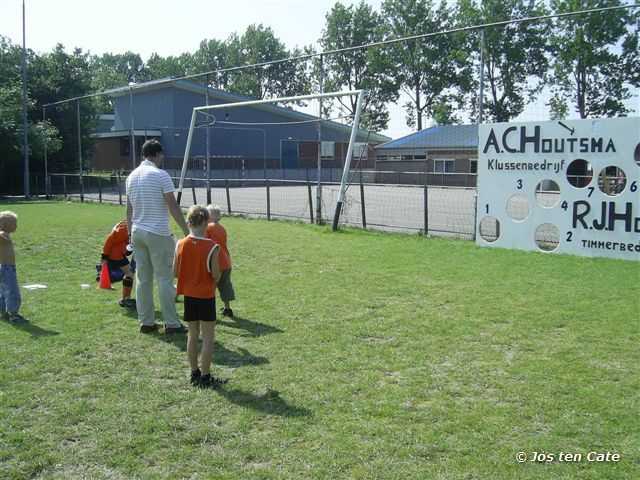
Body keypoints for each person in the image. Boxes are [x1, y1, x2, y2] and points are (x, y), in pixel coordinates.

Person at [126, 139, 190, 334]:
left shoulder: (131, 176)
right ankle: (172, 323)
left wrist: (130, 234)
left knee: (143, 278)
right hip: (158, 232)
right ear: (157, 154)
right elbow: (172, 205)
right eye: (161, 155)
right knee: (164, 279)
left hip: (137, 231)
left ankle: (146, 321)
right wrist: (187, 231)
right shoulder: (160, 175)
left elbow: (129, 209)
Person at [173, 205, 228, 388]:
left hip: (189, 296)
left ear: (188, 221)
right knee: (208, 337)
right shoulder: (212, 246)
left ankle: (194, 373)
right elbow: (215, 274)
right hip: (205, 296)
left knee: (192, 334)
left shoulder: (180, 244)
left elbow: (175, 272)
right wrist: (217, 277)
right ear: (206, 222)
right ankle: (205, 377)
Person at [205, 204, 236, 318]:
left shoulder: (208, 227)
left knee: (210, 287)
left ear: (209, 216)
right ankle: (228, 308)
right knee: (225, 285)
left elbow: (204, 241)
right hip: (226, 262)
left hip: (216, 263)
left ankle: (209, 310)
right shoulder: (222, 229)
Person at [0, 211, 28, 323]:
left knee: (2, 291)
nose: (16, 225)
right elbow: (4, 240)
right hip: (7, 268)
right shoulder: (3, 234)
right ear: (5, 225)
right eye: (14, 223)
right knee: (12, 291)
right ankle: (14, 315)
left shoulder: (4, 235)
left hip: (4, 267)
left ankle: (2, 313)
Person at [100, 220, 136, 308]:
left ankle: (124, 298)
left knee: (129, 273)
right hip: (115, 255)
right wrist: (104, 255)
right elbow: (110, 239)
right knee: (129, 273)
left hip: (118, 254)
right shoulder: (125, 227)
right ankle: (125, 299)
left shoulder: (127, 225)